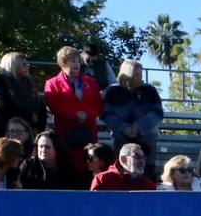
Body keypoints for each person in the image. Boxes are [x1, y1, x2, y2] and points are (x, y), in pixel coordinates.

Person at [42, 46, 103, 174]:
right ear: (63, 63)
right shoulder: (51, 83)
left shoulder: (90, 82)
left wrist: (86, 114)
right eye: (72, 61)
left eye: (77, 60)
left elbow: (98, 105)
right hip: (66, 135)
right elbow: (54, 106)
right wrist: (75, 114)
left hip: (88, 133)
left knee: (89, 167)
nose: (76, 64)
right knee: (67, 169)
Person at [101, 60, 163, 173]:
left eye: (141, 74)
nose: (140, 77)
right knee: (121, 171)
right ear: (127, 76)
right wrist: (123, 128)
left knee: (147, 172)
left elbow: (157, 113)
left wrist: (139, 126)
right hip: (121, 139)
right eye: (136, 75)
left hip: (147, 139)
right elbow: (106, 114)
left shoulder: (150, 90)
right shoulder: (113, 91)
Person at [89, 143, 156, 191]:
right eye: (137, 157)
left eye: (143, 158)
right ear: (123, 159)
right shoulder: (103, 180)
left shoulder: (148, 185)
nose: (142, 161)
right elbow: (94, 207)